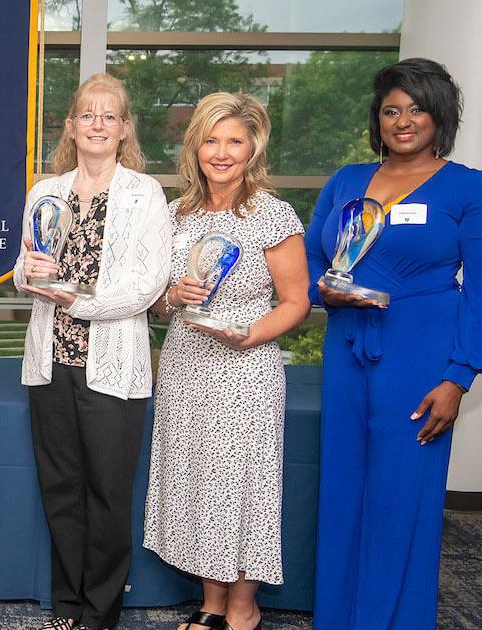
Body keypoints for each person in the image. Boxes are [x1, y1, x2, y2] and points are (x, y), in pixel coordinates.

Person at [307, 58, 482, 629]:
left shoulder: (470, 189)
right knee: (343, 489)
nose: (403, 120)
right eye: (392, 109)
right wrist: (327, 293)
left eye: (417, 109)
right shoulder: (347, 180)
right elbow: (311, 260)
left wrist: (459, 377)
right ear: (378, 119)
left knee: (403, 498)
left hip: (420, 356)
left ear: (439, 116)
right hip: (348, 350)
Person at [142, 92, 309, 630]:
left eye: (234, 141)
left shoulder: (272, 214)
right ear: (195, 147)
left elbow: (297, 301)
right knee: (198, 483)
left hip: (245, 370)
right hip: (186, 365)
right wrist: (173, 296)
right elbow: (158, 303)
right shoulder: (176, 214)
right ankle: (213, 604)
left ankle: (243, 609)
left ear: (252, 148)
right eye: (211, 140)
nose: (221, 152)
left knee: (240, 485)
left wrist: (252, 333)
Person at [14, 73, 171, 630]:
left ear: (124, 128)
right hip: (49, 363)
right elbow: (22, 269)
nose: (98, 124)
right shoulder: (45, 190)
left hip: (113, 368)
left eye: (109, 116)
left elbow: (151, 283)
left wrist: (77, 301)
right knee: (60, 489)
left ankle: (100, 613)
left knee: (106, 492)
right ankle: (67, 606)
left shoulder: (143, 193)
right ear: (71, 126)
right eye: (88, 114)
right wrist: (30, 276)